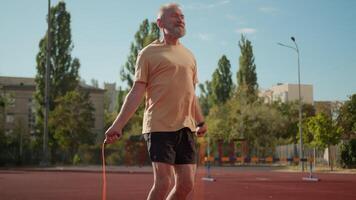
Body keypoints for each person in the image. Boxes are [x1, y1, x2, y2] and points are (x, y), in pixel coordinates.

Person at [105, 3, 207, 200]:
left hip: (186, 127)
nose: (181, 19)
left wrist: (200, 121)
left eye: (183, 16)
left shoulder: (190, 56)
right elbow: (136, 92)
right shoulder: (148, 53)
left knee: (186, 184)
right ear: (160, 23)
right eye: (174, 16)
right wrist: (118, 125)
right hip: (159, 125)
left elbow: (190, 94)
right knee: (163, 182)